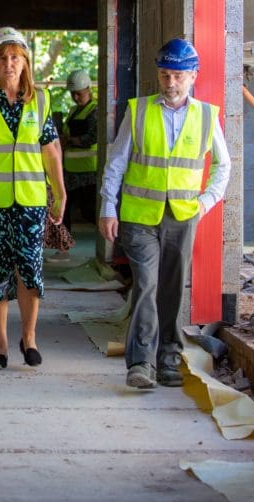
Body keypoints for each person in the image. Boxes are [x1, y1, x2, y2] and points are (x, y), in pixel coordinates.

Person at [97, 38, 230, 389]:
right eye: (165, 75)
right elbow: (117, 162)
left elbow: (223, 164)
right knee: (146, 284)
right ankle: (140, 363)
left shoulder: (205, 116)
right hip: (139, 216)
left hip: (182, 217)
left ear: (193, 76)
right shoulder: (139, 111)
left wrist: (206, 201)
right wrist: (108, 208)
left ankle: (168, 358)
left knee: (171, 288)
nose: (170, 83)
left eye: (177, 76)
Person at [0, 27, 66, 370]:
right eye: (3, 57)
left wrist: (60, 193)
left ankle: (29, 339)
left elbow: (50, 152)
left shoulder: (42, 100)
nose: (9, 63)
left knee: (29, 272)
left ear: (25, 62)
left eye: (15, 57)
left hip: (31, 202)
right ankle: (1, 347)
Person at [47, 68, 99, 261]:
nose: (76, 97)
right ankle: (63, 249)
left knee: (89, 211)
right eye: (73, 93)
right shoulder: (75, 111)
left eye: (79, 93)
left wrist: (69, 140)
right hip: (71, 170)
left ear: (88, 89)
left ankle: (107, 246)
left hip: (89, 171)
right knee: (63, 209)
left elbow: (92, 137)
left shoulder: (95, 111)